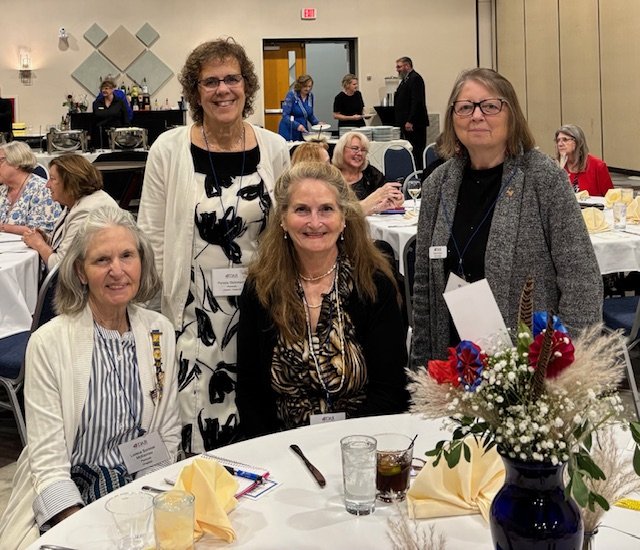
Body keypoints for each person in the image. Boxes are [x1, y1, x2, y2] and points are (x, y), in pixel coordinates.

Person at [137, 38, 290, 453]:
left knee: (259, 404)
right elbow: (151, 238)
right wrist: (154, 318)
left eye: (232, 79)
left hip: (260, 306)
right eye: (211, 82)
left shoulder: (273, 148)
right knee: (198, 410)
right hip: (192, 311)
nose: (223, 89)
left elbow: (286, 232)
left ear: (247, 86)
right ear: (195, 92)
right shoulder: (169, 149)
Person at [0, 206, 181, 550]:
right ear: (81, 272)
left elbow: (166, 433)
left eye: (127, 255)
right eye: (101, 260)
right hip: (69, 496)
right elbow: (48, 460)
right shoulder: (50, 342)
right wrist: (84, 532)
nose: (117, 270)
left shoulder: (159, 332)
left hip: (140, 487)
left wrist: (144, 510)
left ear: (141, 262)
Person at [411, 68, 603, 366]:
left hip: (528, 369)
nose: (476, 116)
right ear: (452, 118)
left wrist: (568, 366)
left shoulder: (543, 178)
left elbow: (580, 279)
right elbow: (424, 287)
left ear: (511, 114)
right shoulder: (437, 185)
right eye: (465, 107)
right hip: (451, 364)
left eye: (490, 106)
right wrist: (423, 370)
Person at [236, 162, 409, 438]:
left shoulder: (373, 284)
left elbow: (391, 389)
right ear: (282, 218)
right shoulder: (261, 288)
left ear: (343, 218)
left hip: (363, 444)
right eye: (301, 209)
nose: (314, 222)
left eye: (326, 209)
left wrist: (344, 444)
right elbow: (250, 390)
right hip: (283, 447)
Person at [23, 153, 119, 270]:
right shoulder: (75, 202)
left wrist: (39, 244)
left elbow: (60, 267)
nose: (47, 185)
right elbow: (70, 246)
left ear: (70, 182)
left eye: (52, 179)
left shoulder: (86, 212)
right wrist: (47, 240)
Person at [332, 131, 404, 215]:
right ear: (341, 150)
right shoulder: (331, 176)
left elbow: (387, 193)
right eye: (355, 148)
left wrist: (395, 197)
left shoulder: (370, 173)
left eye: (363, 150)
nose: (359, 153)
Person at [0, 141, 60, 235]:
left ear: (16, 163)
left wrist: (4, 227)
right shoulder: (3, 190)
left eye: (0, 161)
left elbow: (41, 232)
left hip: (31, 248)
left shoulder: (42, 189)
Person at [555, 124, 614, 196]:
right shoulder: (555, 167)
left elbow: (611, 198)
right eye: (558, 140)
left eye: (565, 139)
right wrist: (560, 172)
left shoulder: (597, 166)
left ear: (577, 141)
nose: (560, 144)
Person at [394, 57, 429, 170]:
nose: (397, 69)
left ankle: (418, 173)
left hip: (415, 123)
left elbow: (417, 101)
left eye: (399, 66)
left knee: (417, 150)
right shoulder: (406, 80)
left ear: (407, 66)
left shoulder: (415, 79)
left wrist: (410, 120)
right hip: (406, 122)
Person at [277, 74, 322, 141]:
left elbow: (309, 115)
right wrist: (297, 125)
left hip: (302, 129)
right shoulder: (291, 95)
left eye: (309, 86)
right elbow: (285, 115)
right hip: (289, 129)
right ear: (300, 86)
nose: (308, 89)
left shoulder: (310, 96)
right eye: (305, 86)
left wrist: (317, 124)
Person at [92, 78, 130, 149]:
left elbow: (126, 120)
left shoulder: (120, 102)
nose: (104, 90)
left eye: (106, 88)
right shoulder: (96, 103)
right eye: (102, 89)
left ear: (112, 89)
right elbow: (94, 120)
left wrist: (124, 135)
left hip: (117, 136)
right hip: (101, 136)